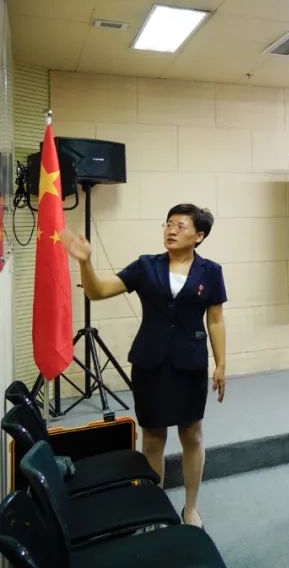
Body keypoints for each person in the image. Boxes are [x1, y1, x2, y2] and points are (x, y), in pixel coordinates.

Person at [63, 203, 227, 528]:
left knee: (192, 435)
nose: (171, 230)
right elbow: (97, 291)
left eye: (180, 226)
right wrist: (85, 262)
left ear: (199, 235)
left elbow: (216, 320)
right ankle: (155, 508)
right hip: (150, 361)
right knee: (152, 437)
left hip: (190, 363)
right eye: (168, 224)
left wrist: (221, 363)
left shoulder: (211, 271)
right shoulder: (145, 266)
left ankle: (191, 508)